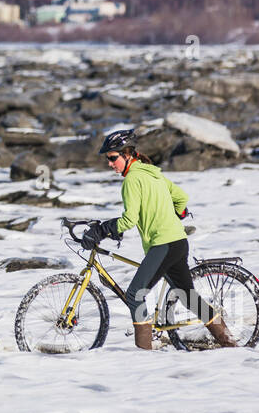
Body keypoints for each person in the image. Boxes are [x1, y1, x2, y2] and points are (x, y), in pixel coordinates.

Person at [81, 129, 237, 350]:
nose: (109, 163)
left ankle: (143, 356)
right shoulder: (153, 173)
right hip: (178, 243)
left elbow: (129, 220)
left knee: (135, 294)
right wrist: (177, 213)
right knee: (188, 298)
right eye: (108, 159)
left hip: (163, 245)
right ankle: (229, 343)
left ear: (127, 155)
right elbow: (181, 197)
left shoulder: (132, 180)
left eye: (112, 158)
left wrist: (102, 229)